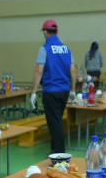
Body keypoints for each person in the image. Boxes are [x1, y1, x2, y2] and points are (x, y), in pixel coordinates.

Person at [31, 20, 76, 154]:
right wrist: (73, 90)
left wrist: (33, 92)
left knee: (55, 124)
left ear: (45, 32)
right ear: (57, 32)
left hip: (51, 91)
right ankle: (54, 150)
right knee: (56, 121)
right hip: (64, 91)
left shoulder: (44, 49)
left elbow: (39, 70)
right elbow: (73, 70)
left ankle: (60, 154)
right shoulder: (67, 49)